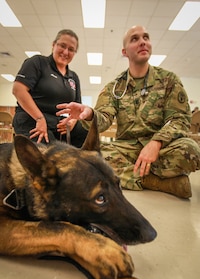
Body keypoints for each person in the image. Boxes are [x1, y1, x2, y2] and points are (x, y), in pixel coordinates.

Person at [56, 25, 200, 199]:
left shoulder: (169, 80)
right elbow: (104, 118)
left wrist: (156, 143)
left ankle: (129, 176)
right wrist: (89, 113)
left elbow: (180, 119)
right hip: (126, 149)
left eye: (146, 38)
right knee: (88, 158)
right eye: (135, 39)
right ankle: (158, 182)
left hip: (162, 148)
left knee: (191, 150)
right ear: (124, 52)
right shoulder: (115, 87)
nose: (142, 42)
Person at [12, 29, 88, 148]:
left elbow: (77, 107)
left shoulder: (73, 77)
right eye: (62, 46)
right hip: (31, 118)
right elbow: (18, 90)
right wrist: (39, 118)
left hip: (56, 122)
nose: (66, 52)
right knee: (52, 152)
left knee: (87, 133)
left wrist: (73, 121)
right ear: (53, 45)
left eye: (71, 49)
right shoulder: (38, 62)